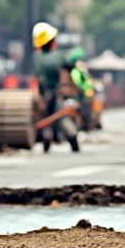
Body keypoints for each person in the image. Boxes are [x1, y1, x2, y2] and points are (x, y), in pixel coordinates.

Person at [33, 21, 79, 153]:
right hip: (57, 92)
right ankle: (72, 137)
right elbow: (70, 66)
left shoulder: (38, 59)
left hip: (44, 94)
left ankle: (47, 140)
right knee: (61, 115)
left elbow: (36, 78)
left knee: (46, 116)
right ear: (52, 41)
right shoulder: (58, 56)